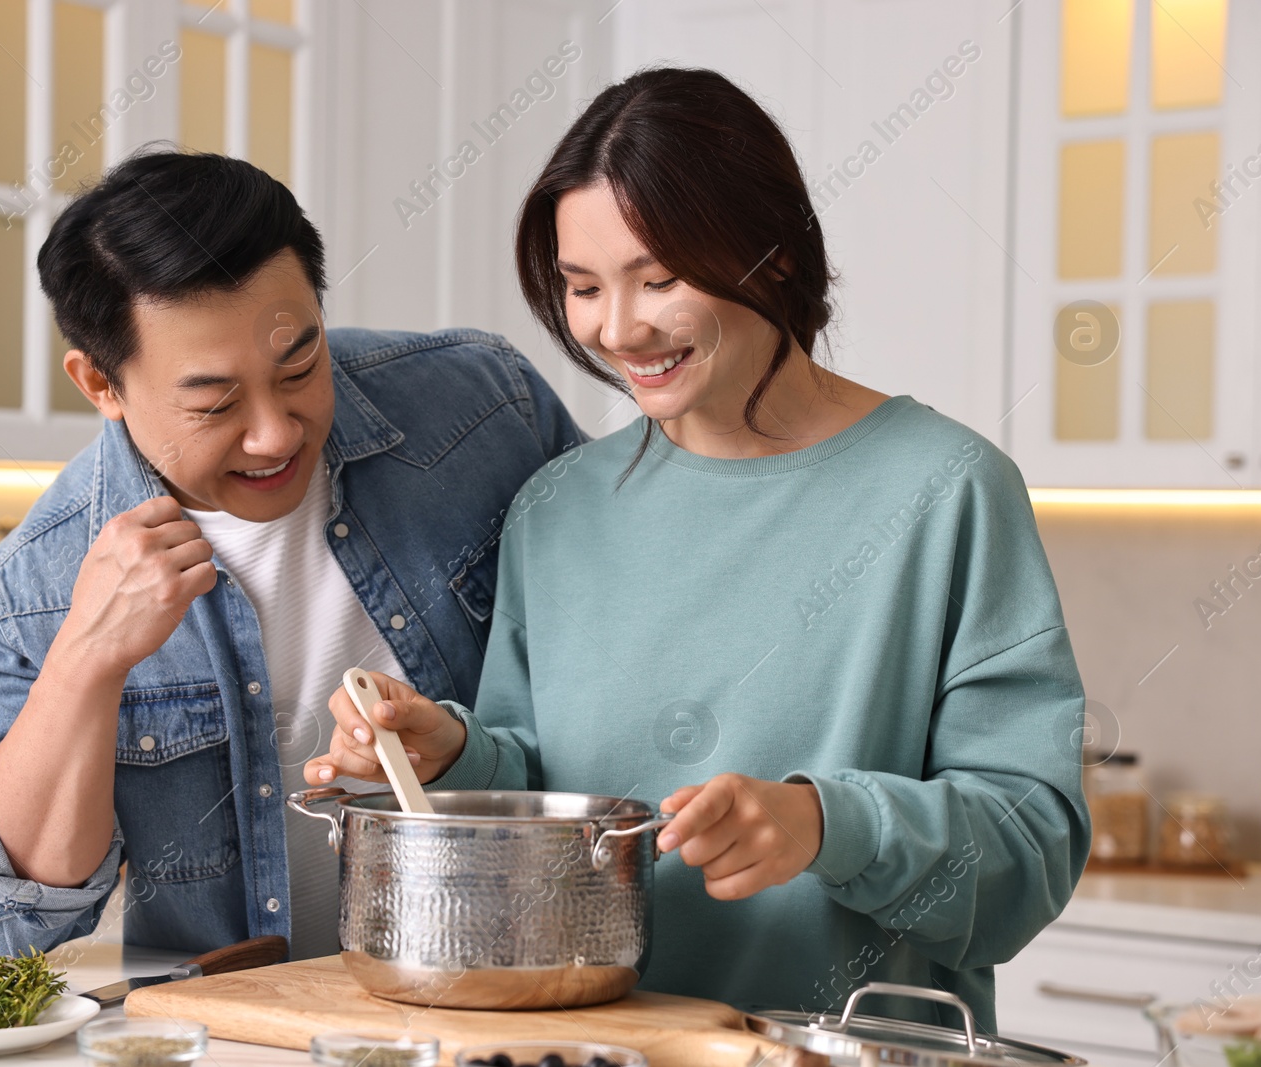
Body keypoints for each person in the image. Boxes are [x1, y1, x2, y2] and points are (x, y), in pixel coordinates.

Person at [305, 68, 1090, 1031]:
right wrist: (455, 754)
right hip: (592, 1047)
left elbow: (1030, 847)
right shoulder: (557, 506)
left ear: (777, 255)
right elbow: (552, 790)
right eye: (584, 287)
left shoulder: (948, 489)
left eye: (660, 279)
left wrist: (826, 825)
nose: (618, 328)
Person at [0, 150, 584, 959]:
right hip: (239, 1035)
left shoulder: (483, 409)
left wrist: (464, 755)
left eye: (300, 364)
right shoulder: (36, 585)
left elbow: (624, 660)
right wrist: (86, 658)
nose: (274, 434)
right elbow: (1, 919)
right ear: (100, 383)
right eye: (215, 401)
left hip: (515, 989)